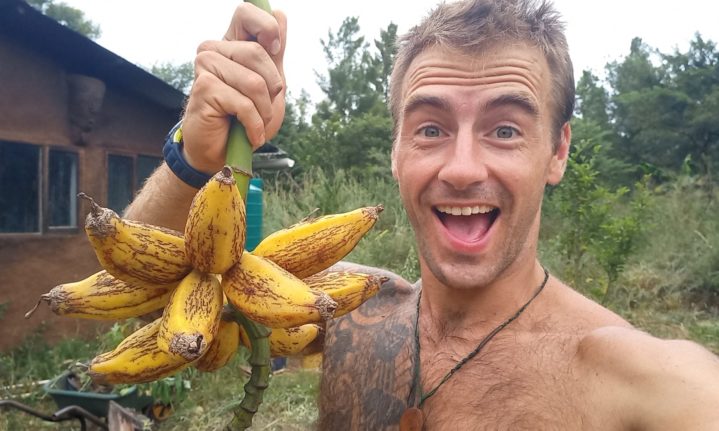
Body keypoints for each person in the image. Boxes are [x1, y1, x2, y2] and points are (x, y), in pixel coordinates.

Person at [125, 0, 719, 429]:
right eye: (430, 129)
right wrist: (196, 158)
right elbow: (152, 302)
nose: (461, 169)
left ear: (557, 151)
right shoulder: (347, 311)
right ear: (396, 152)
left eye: (505, 130)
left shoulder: (646, 383)